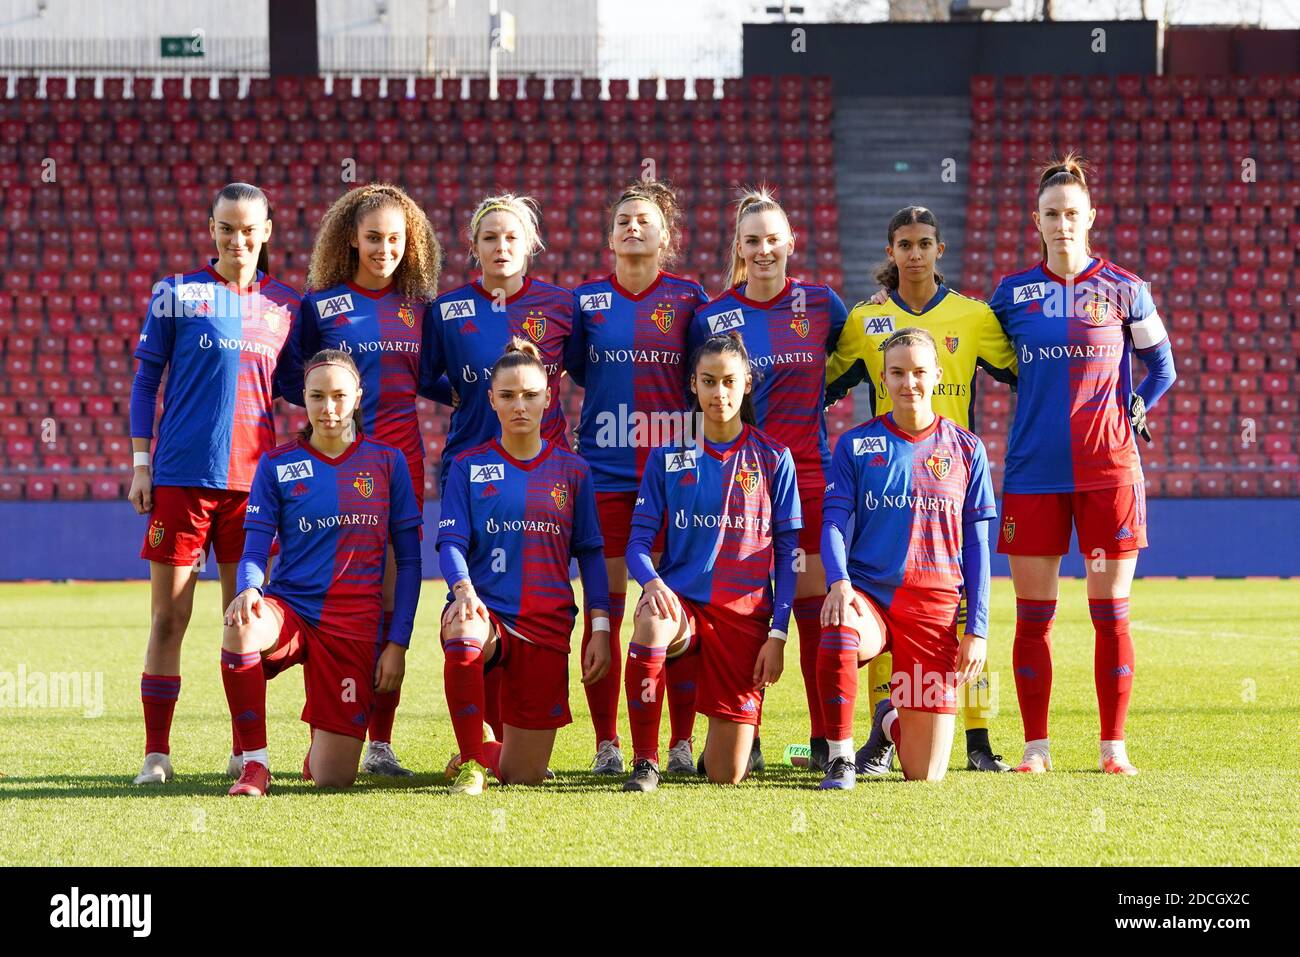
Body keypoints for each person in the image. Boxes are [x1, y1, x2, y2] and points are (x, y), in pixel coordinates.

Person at [988, 154, 1175, 775]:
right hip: (1034, 474)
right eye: (1051, 214)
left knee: (1109, 613)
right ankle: (1035, 748)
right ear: (1035, 221)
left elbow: (1162, 366)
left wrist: (1137, 405)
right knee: (1033, 616)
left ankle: (1112, 747)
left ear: (1090, 216)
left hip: (1109, 471)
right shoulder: (1011, 295)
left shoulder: (1126, 288)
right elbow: (982, 360)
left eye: (1072, 213)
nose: (1062, 223)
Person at [825, 205, 1018, 774]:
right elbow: (821, 382)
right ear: (891, 253)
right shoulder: (865, 321)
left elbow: (1025, 369)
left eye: (924, 243)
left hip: (951, 478)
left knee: (969, 620)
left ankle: (979, 741)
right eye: (904, 243)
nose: (914, 252)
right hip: (888, 472)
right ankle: (880, 733)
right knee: (876, 612)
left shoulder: (974, 316)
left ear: (940, 250)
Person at [129, 182, 301, 785]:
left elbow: (306, 386)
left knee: (242, 618)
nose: (238, 239)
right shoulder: (176, 295)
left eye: (249, 228)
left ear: (267, 232)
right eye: (226, 227)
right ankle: (157, 754)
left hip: (254, 487)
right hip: (181, 477)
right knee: (169, 619)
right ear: (210, 229)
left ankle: (244, 751)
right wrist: (140, 464)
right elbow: (146, 381)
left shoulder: (287, 305)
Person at [279, 183, 442, 776]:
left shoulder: (421, 310)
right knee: (337, 605)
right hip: (334, 474)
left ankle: (379, 741)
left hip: (401, 468)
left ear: (411, 242)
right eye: (373, 237)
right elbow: (290, 379)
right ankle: (329, 725)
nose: (384, 248)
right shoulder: (319, 305)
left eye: (395, 239)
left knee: (393, 600)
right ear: (351, 238)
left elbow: (443, 381)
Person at [689, 189, 847, 772]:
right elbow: (701, 394)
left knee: (814, 615)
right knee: (745, 611)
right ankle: (744, 733)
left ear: (790, 243)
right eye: (751, 240)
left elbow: (855, 360)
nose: (762, 250)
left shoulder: (822, 304)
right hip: (736, 486)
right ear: (739, 246)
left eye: (772, 239)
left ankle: (826, 739)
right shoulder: (712, 316)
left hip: (808, 479)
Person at [219, 348, 422, 796]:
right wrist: (250, 588)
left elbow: (408, 562)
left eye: (338, 396)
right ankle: (254, 765)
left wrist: (397, 643)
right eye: (317, 397)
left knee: (333, 779)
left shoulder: (388, 464)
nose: (328, 409)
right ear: (303, 401)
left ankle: (320, 749)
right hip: (291, 609)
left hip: (354, 626)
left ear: (357, 397)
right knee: (242, 625)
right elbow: (254, 546)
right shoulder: (277, 464)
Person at [564, 179, 711, 775]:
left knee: (671, 605)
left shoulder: (689, 298)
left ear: (664, 235)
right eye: (623, 218)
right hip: (603, 472)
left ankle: (676, 742)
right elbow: (575, 371)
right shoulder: (587, 302)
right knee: (605, 607)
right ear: (609, 234)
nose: (632, 227)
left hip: (674, 473)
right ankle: (606, 742)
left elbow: (708, 377)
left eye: (644, 220)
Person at [419, 193, 577, 741]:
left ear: (531, 243)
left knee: (537, 598)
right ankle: (479, 741)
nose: (501, 246)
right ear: (474, 248)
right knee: (470, 599)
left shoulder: (562, 305)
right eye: (490, 237)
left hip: (541, 478)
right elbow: (422, 375)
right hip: (471, 468)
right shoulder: (447, 309)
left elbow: (579, 371)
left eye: (512, 236)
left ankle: (531, 727)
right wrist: (468, 394)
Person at [816, 328, 996, 789]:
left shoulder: (968, 449)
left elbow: (977, 549)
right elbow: (834, 523)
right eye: (897, 373)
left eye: (919, 372)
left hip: (935, 609)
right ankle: (839, 757)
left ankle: (888, 723)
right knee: (839, 629)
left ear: (937, 374)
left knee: (926, 774)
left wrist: (976, 629)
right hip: (871, 598)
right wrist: (839, 582)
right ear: (882, 377)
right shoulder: (856, 445)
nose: (908, 382)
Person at [621, 331, 801, 792]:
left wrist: (777, 635)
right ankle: (646, 761)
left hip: (745, 619)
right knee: (651, 621)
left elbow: (787, 557)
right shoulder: (668, 456)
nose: (719, 393)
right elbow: (637, 544)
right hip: (683, 608)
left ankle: (709, 748)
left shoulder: (775, 458)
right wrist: (652, 584)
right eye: (708, 382)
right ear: (694, 387)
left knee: (727, 775)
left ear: (746, 384)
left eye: (728, 382)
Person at [436, 339, 611, 795]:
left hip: (547, 625)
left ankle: (483, 750)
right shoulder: (468, 466)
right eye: (508, 395)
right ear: (491, 399)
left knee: (522, 774)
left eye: (530, 395)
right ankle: (474, 759)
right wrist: (463, 591)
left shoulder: (573, 471)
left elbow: (590, 553)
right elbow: (450, 541)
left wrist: (601, 626)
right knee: (463, 630)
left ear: (548, 398)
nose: (519, 405)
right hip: (487, 612)